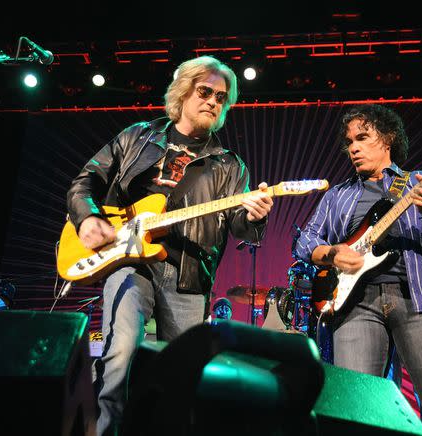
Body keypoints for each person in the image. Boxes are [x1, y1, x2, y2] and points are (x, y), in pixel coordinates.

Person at [67, 55, 273, 435]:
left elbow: (240, 225)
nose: (213, 101)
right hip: (130, 262)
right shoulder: (139, 136)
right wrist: (88, 218)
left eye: (221, 97)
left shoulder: (230, 165)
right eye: (205, 91)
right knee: (120, 358)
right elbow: (86, 181)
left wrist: (255, 214)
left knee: (182, 379)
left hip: (188, 276)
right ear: (183, 92)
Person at [295, 104, 422, 434]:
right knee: (357, 415)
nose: (353, 147)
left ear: (389, 138)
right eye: (349, 141)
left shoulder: (419, 182)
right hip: (355, 306)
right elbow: (304, 241)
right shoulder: (338, 195)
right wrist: (332, 253)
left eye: (362, 137)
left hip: (419, 300)